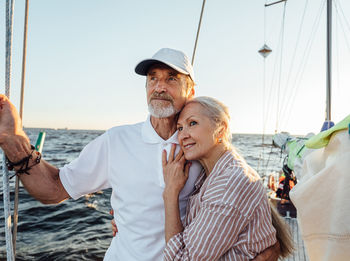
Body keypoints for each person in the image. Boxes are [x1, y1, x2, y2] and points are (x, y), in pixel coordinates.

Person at [0, 48, 280, 260]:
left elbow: (247, 201)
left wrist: (270, 248)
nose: (159, 86)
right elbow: (54, 188)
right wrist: (15, 140)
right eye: (152, 78)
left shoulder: (203, 147)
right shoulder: (117, 140)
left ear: (190, 90)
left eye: (171, 78)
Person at [161, 96, 294, 260]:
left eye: (192, 123)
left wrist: (170, 192)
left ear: (221, 129)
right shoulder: (210, 175)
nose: (183, 135)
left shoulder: (229, 182)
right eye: (180, 128)